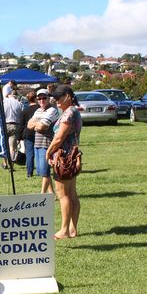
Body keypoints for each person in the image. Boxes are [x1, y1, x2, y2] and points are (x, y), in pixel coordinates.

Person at [46, 84, 83, 239]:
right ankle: (73, 229)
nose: (56, 101)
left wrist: (48, 152)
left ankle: (64, 230)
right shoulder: (74, 111)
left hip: (64, 158)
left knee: (63, 194)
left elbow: (59, 138)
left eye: (58, 98)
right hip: (73, 156)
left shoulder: (68, 114)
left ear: (68, 96)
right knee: (72, 193)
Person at [28, 89, 59, 194]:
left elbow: (43, 126)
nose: (42, 100)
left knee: (45, 172)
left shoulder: (52, 110)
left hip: (47, 144)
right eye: (39, 98)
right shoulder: (38, 110)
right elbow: (29, 125)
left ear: (48, 98)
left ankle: (42, 195)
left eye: (44, 98)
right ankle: (51, 194)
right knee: (42, 172)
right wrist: (38, 125)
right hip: (37, 144)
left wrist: (37, 124)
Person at [2, 86, 23, 167]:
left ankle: (4, 163)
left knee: (4, 145)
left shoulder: (3, 101)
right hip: (15, 125)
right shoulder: (19, 103)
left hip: (4, 124)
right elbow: (21, 116)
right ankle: (12, 165)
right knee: (12, 147)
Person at [20, 90, 38, 177]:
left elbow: (22, 124)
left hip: (28, 133)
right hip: (38, 132)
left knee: (29, 154)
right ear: (36, 98)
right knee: (39, 152)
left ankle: (29, 173)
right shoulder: (40, 109)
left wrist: (19, 136)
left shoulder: (25, 110)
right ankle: (41, 170)